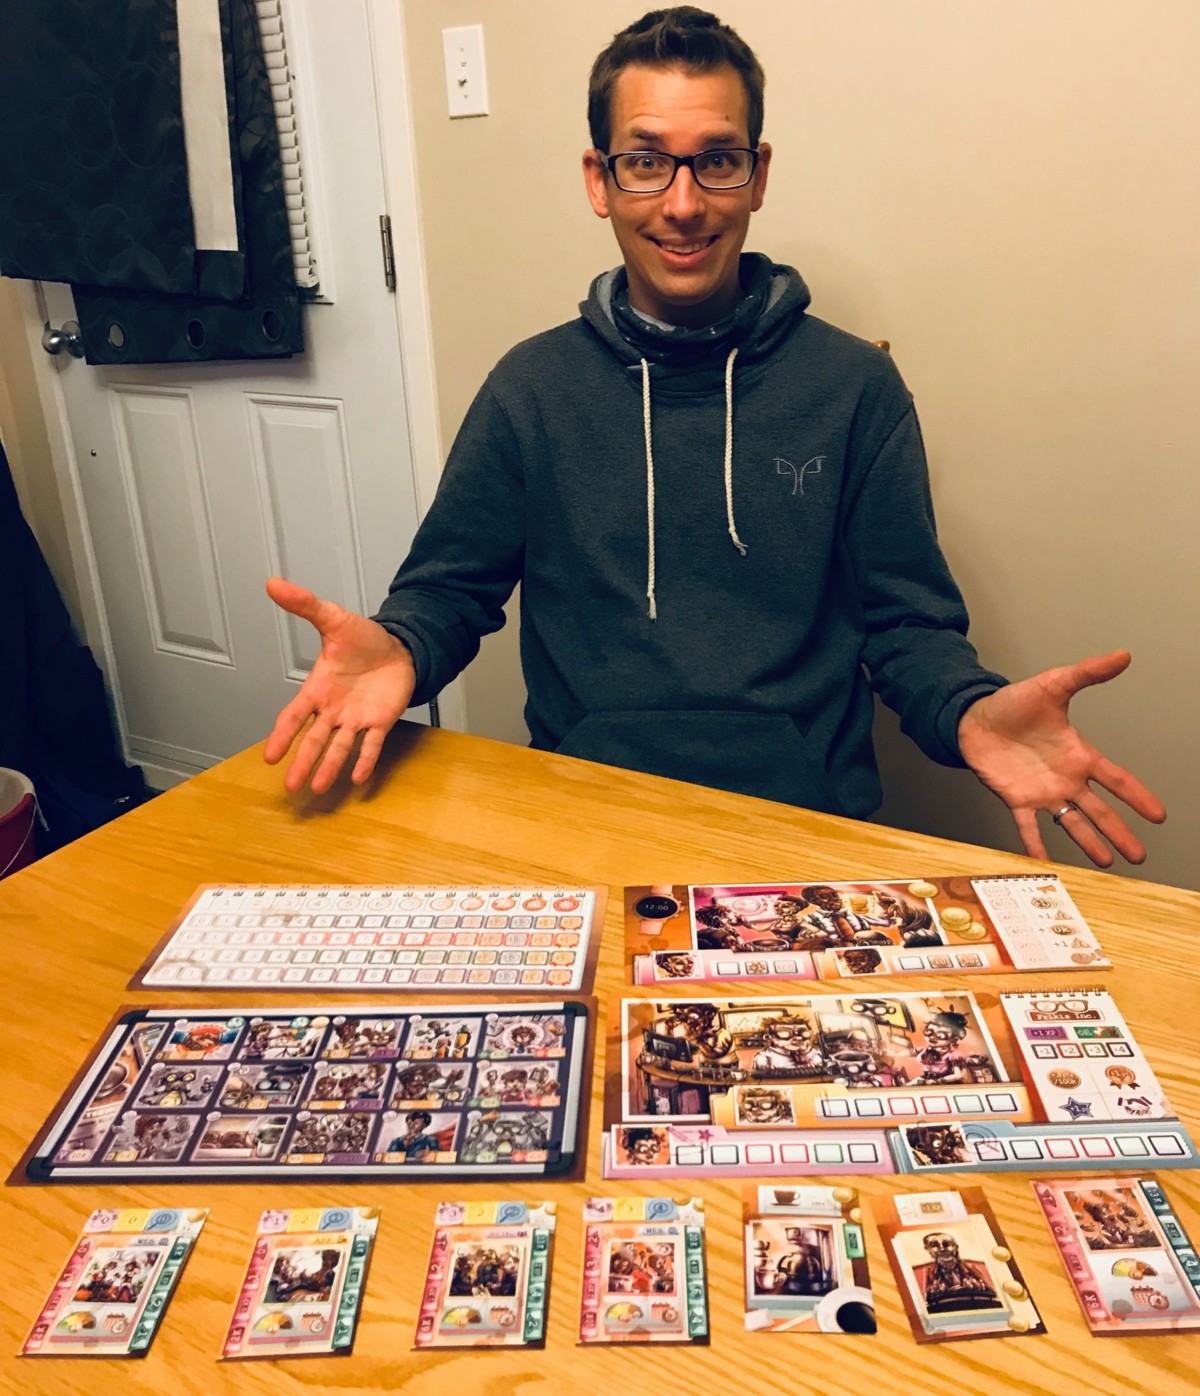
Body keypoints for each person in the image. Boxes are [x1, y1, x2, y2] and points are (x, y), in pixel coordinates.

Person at [262, 7, 1165, 868]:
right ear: (599, 181)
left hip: (806, 834)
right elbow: (450, 592)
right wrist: (401, 645)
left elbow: (907, 626)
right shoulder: (530, 388)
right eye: (646, 162)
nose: (684, 202)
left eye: (718, 161)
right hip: (586, 817)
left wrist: (967, 709)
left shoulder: (855, 388)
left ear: (758, 175)